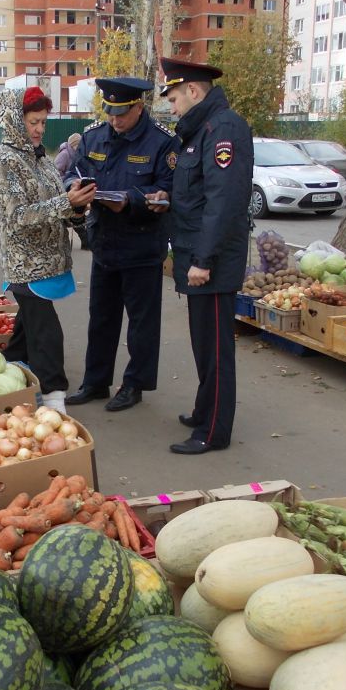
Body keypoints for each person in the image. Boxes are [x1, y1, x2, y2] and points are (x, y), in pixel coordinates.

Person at [146, 57, 253, 455]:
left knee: (216, 350)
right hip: (198, 255)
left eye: (173, 98)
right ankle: (204, 410)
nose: (172, 108)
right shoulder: (200, 131)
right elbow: (198, 192)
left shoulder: (222, 128)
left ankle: (213, 431)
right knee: (202, 344)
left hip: (212, 262)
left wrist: (204, 261)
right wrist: (168, 199)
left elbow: (223, 202)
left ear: (193, 91)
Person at [63, 77, 177, 413]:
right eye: (111, 112)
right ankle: (96, 382)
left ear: (138, 108)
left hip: (141, 244)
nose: (116, 120)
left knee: (141, 323)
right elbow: (73, 172)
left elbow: (168, 190)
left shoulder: (160, 143)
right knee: (101, 317)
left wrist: (132, 201)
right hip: (105, 243)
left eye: (122, 113)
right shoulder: (94, 137)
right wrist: (76, 189)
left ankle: (134, 384)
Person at [0, 86, 95, 413]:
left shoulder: (41, 157)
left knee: (25, 332)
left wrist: (75, 203)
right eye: (33, 122)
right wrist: (66, 202)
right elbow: (17, 216)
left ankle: (1, 379)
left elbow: (53, 202)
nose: (39, 129)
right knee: (46, 332)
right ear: (15, 121)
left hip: (50, 262)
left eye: (44, 122)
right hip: (25, 265)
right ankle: (54, 399)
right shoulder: (4, 162)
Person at [54, 133, 90, 251]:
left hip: (73, 189)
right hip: (62, 190)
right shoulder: (64, 154)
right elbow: (56, 173)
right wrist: (67, 182)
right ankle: (84, 241)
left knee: (76, 215)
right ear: (74, 145)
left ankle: (85, 241)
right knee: (70, 216)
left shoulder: (76, 155)